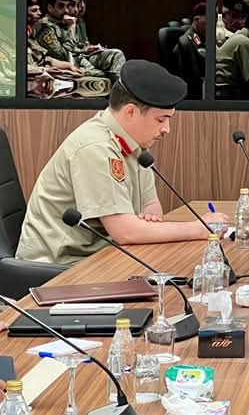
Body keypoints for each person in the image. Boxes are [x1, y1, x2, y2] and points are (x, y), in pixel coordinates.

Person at [16, 60, 227, 265]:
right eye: (161, 120)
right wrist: (199, 228)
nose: (166, 129)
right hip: (59, 267)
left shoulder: (134, 144)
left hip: (102, 256)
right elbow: (125, 231)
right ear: (130, 112)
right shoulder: (95, 147)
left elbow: (151, 206)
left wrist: (149, 221)